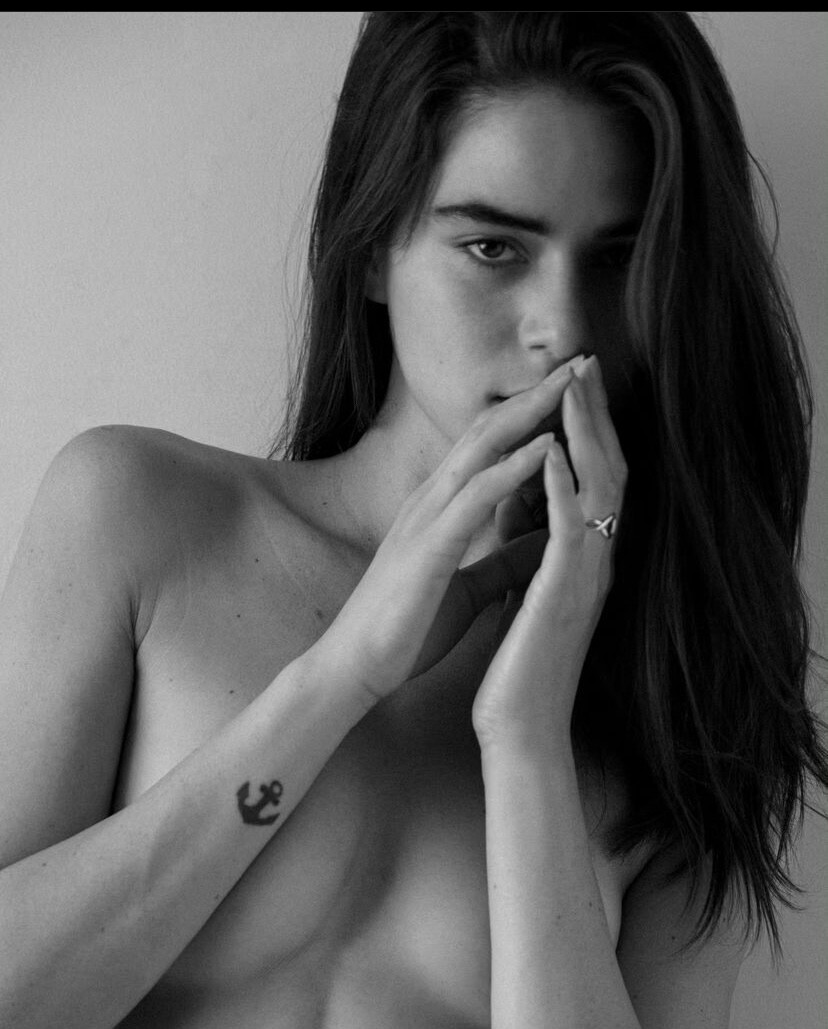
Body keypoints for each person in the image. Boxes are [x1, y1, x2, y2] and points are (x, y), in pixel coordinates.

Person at [0, 11, 825, 1029]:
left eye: (618, 261)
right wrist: (339, 676)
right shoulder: (141, 516)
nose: (564, 329)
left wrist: (525, 738)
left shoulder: (688, 703)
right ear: (370, 248)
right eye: (493, 247)